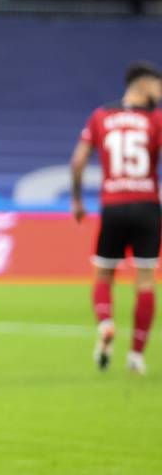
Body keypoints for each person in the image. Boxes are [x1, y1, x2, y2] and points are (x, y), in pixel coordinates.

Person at [70, 61, 161, 375]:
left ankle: (106, 322)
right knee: (146, 281)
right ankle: (136, 356)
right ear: (143, 85)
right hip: (148, 205)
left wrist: (78, 200)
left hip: (113, 205)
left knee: (104, 274)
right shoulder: (155, 120)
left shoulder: (100, 116)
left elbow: (78, 161)